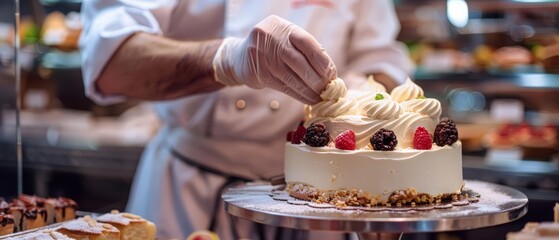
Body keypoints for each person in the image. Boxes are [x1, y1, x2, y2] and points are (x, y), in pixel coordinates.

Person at [79, 0, 413, 239]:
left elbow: (380, 56)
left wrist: (362, 92)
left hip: (318, 196)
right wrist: (225, 60)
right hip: (187, 189)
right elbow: (108, 62)